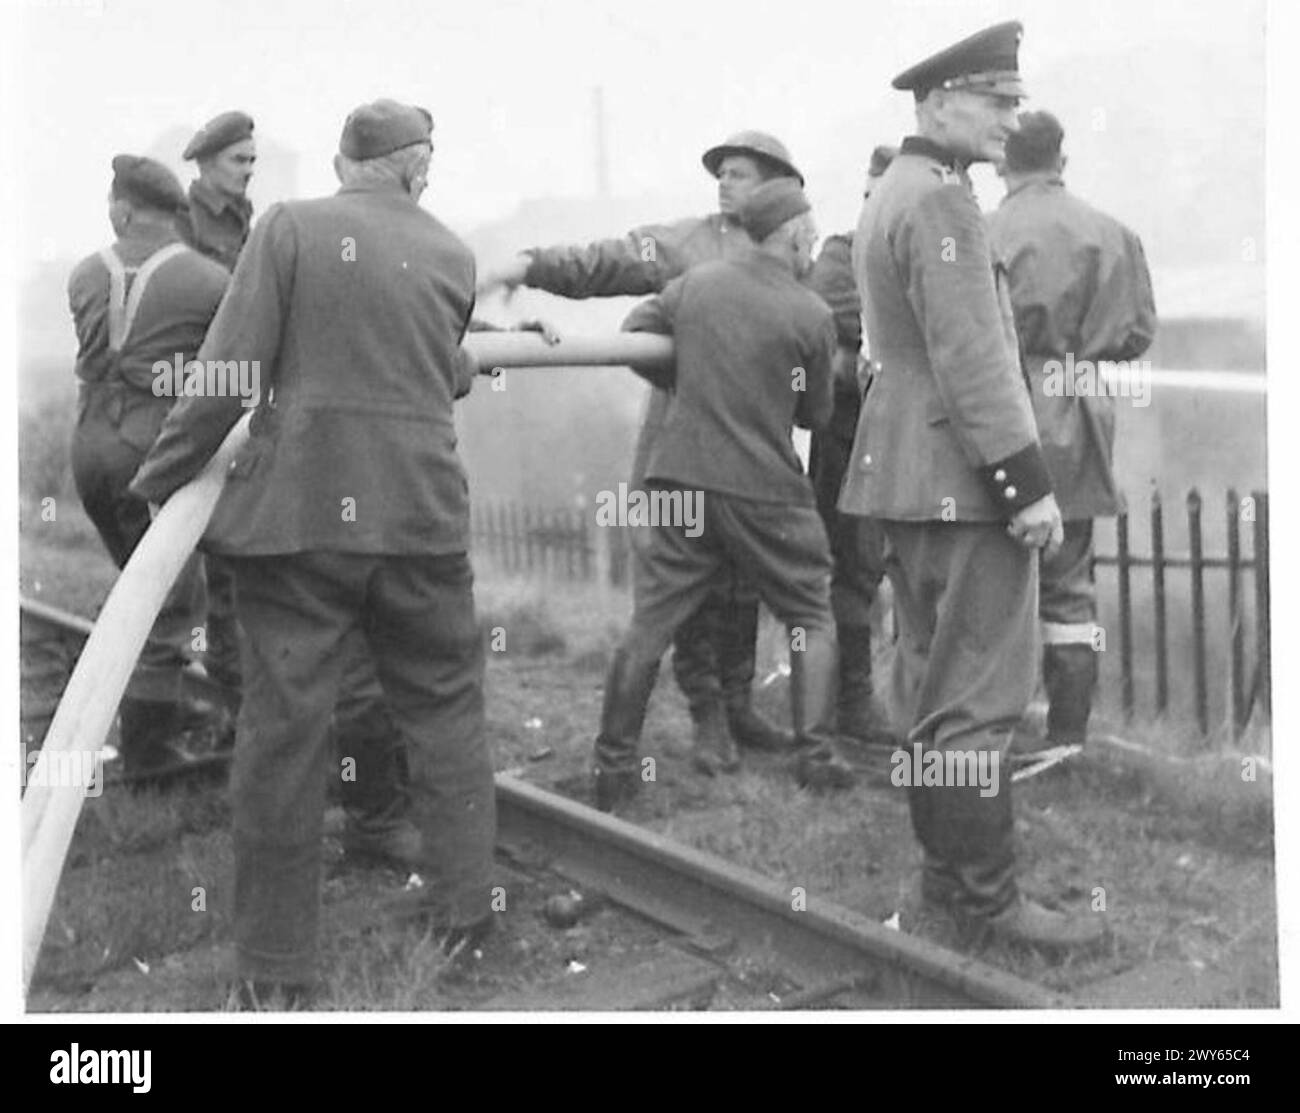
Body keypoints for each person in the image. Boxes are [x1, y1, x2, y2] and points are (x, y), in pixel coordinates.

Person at [131, 101, 497, 1004]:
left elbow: (226, 373)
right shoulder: (453, 252)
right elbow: (439, 364)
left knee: (285, 735)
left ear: (343, 163)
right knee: (447, 712)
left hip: (303, 527)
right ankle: (465, 911)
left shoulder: (292, 229)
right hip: (421, 521)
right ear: (415, 170)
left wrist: (161, 481)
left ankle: (277, 969)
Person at [838, 22, 1104, 950]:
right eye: (995, 101)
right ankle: (986, 905)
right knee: (979, 698)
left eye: (1013, 103)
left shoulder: (893, 192)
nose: (1008, 118)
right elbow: (974, 356)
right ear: (939, 101)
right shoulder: (943, 203)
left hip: (905, 477)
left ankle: (949, 886)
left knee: (930, 686)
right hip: (964, 477)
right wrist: (1026, 486)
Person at [478, 131, 804, 774]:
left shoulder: (796, 248)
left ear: (780, 185)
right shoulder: (690, 241)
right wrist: (529, 264)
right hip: (684, 443)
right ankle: (706, 714)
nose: (725, 184)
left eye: (740, 173)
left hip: (759, 443)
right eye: (722, 174)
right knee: (685, 580)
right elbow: (611, 260)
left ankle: (740, 705)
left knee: (743, 581)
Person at [591, 178, 855, 811]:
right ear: (791, 237)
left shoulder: (694, 287)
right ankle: (816, 756)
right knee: (810, 614)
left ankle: (613, 765)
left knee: (651, 622)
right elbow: (816, 414)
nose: (812, 252)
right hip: (766, 489)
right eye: (809, 241)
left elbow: (635, 333)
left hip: (680, 477)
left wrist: (692, 380)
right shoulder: (810, 314)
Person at [989, 111, 1157, 756]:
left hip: (1000, 413)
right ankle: (1068, 738)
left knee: (990, 577)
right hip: (1080, 414)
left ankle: (990, 731)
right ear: (1063, 158)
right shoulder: (1115, 234)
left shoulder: (982, 231)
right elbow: (1137, 333)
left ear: (1005, 161)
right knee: (1070, 582)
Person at [67, 155, 230, 783]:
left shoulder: (84, 274)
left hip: (89, 450)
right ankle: (148, 755)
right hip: (150, 451)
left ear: (125, 209)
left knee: (137, 587)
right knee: (166, 599)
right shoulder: (207, 280)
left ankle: (134, 726)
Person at [805, 144, 897, 747]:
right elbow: (840, 335)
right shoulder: (841, 254)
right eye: (866, 198)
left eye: (881, 201)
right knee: (854, 570)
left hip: (922, 440)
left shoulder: (938, 253)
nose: (871, 211)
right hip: (853, 438)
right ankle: (853, 703)